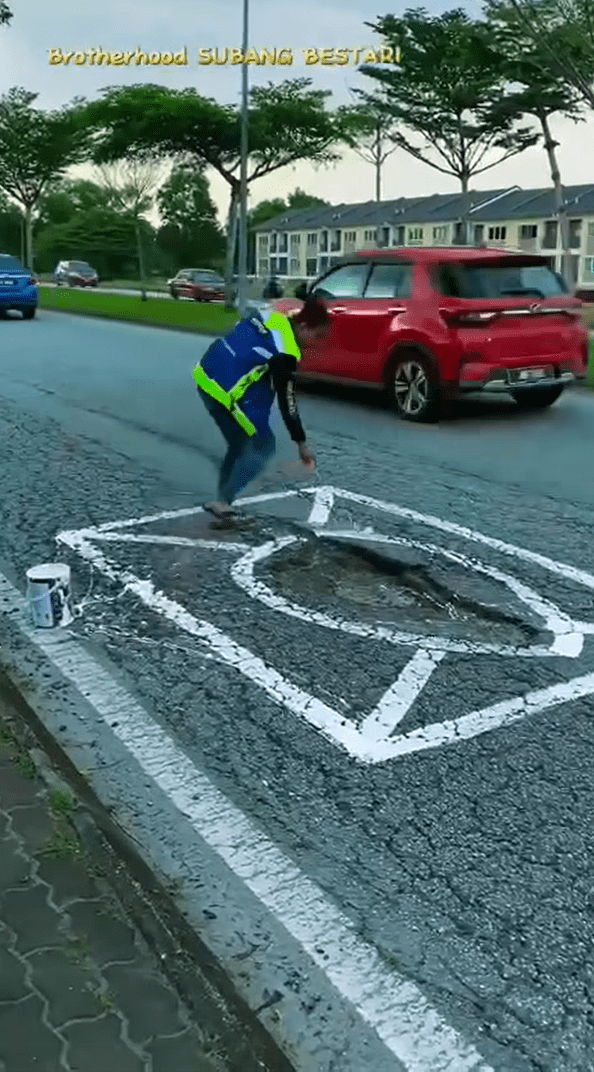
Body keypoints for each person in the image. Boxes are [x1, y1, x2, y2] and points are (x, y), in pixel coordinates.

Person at [194, 295, 331, 525]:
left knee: (239, 442)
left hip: (205, 375)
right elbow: (287, 401)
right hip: (225, 389)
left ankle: (223, 498)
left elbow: (241, 331)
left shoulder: (273, 318)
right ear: (304, 326)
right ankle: (224, 503)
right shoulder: (285, 350)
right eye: (317, 336)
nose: (317, 343)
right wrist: (301, 444)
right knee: (263, 444)